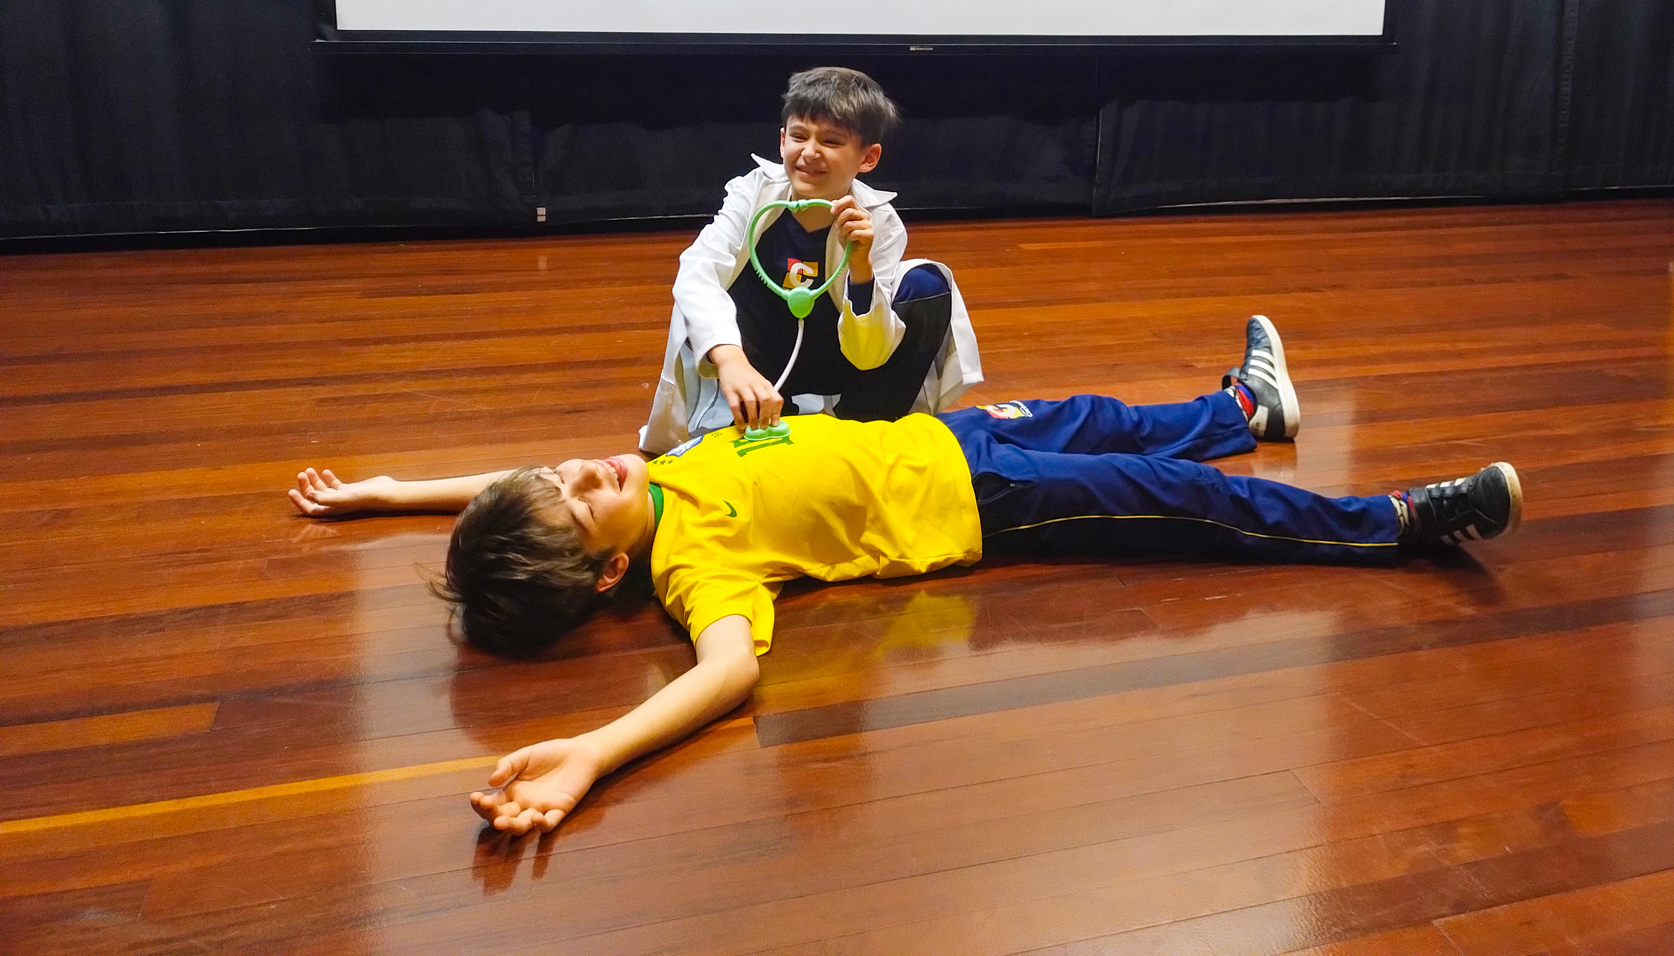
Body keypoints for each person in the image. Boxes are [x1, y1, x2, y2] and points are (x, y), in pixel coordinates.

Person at [288, 317, 1521, 836]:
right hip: (979, 507)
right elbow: (724, 676)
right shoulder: (694, 562)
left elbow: (523, 482)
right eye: (576, 499)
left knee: (1102, 415)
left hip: (946, 439)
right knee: (1183, 505)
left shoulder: (652, 474)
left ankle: (1243, 409)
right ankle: (1402, 523)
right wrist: (594, 754)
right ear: (611, 574)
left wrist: (395, 492)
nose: (577, 469)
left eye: (559, 473)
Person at [637, 66, 980, 451]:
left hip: (832, 359)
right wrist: (731, 360)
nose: (810, 152)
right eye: (799, 136)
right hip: (757, 356)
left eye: (831, 141)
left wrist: (861, 269)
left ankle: (862, 436)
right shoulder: (752, 193)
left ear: (868, 158)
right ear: (783, 140)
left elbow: (868, 356)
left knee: (928, 284)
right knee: (705, 290)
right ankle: (748, 411)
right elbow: (698, 271)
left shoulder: (879, 223)